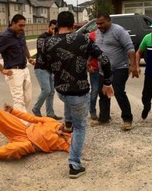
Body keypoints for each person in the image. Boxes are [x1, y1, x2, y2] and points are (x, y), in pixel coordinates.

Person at [43, 11, 114, 179]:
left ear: (57, 25)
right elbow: (104, 59)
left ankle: (68, 124)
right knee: (81, 126)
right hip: (78, 91)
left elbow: (45, 64)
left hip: (61, 90)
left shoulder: (47, 42)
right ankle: (74, 165)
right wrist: (108, 82)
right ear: (74, 24)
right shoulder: (83, 38)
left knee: (69, 103)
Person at [92, 13, 139, 131]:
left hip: (120, 67)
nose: (99, 26)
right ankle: (104, 118)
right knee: (102, 93)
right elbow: (96, 49)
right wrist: (89, 61)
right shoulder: (98, 33)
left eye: (101, 23)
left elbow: (130, 48)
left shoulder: (118, 31)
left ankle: (127, 119)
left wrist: (133, 65)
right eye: (97, 23)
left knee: (118, 92)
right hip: (103, 69)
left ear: (109, 21)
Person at [0, 14, 35, 123]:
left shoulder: (21, 33)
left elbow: (24, 45)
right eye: (20, 25)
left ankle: (13, 116)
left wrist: (29, 57)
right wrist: (2, 69)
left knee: (28, 98)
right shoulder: (4, 37)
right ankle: (23, 125)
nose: (22, 28)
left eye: (24, 25)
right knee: (19, 100)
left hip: (24, 69)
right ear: (13, 23)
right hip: (13, 72)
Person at [32, 19, 62, 120]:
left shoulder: (57, 38)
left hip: (51, 69)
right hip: (41, 68)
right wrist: (54, 38)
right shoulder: (42, 38)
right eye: (52, 28)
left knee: (51, 92)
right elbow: (44, 52)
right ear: (48, 27)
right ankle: (36, 108)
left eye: (55, 29)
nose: (54, 31)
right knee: (46, 90)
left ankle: (50, 113)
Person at [136, 18, 152, 119]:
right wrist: (137, 66)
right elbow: (138, 53)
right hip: (150, 73)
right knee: (146, 95)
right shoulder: (147, 38)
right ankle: (146, 106)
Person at [87, 30, 100, 120]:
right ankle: (92, 110)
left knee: (105, 91)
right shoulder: (92, 35)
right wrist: (89, 65)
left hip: (105, 68)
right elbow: (88, 52)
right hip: (94, 68)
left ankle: (105, 112)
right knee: (94, 90)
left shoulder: (110, 35)